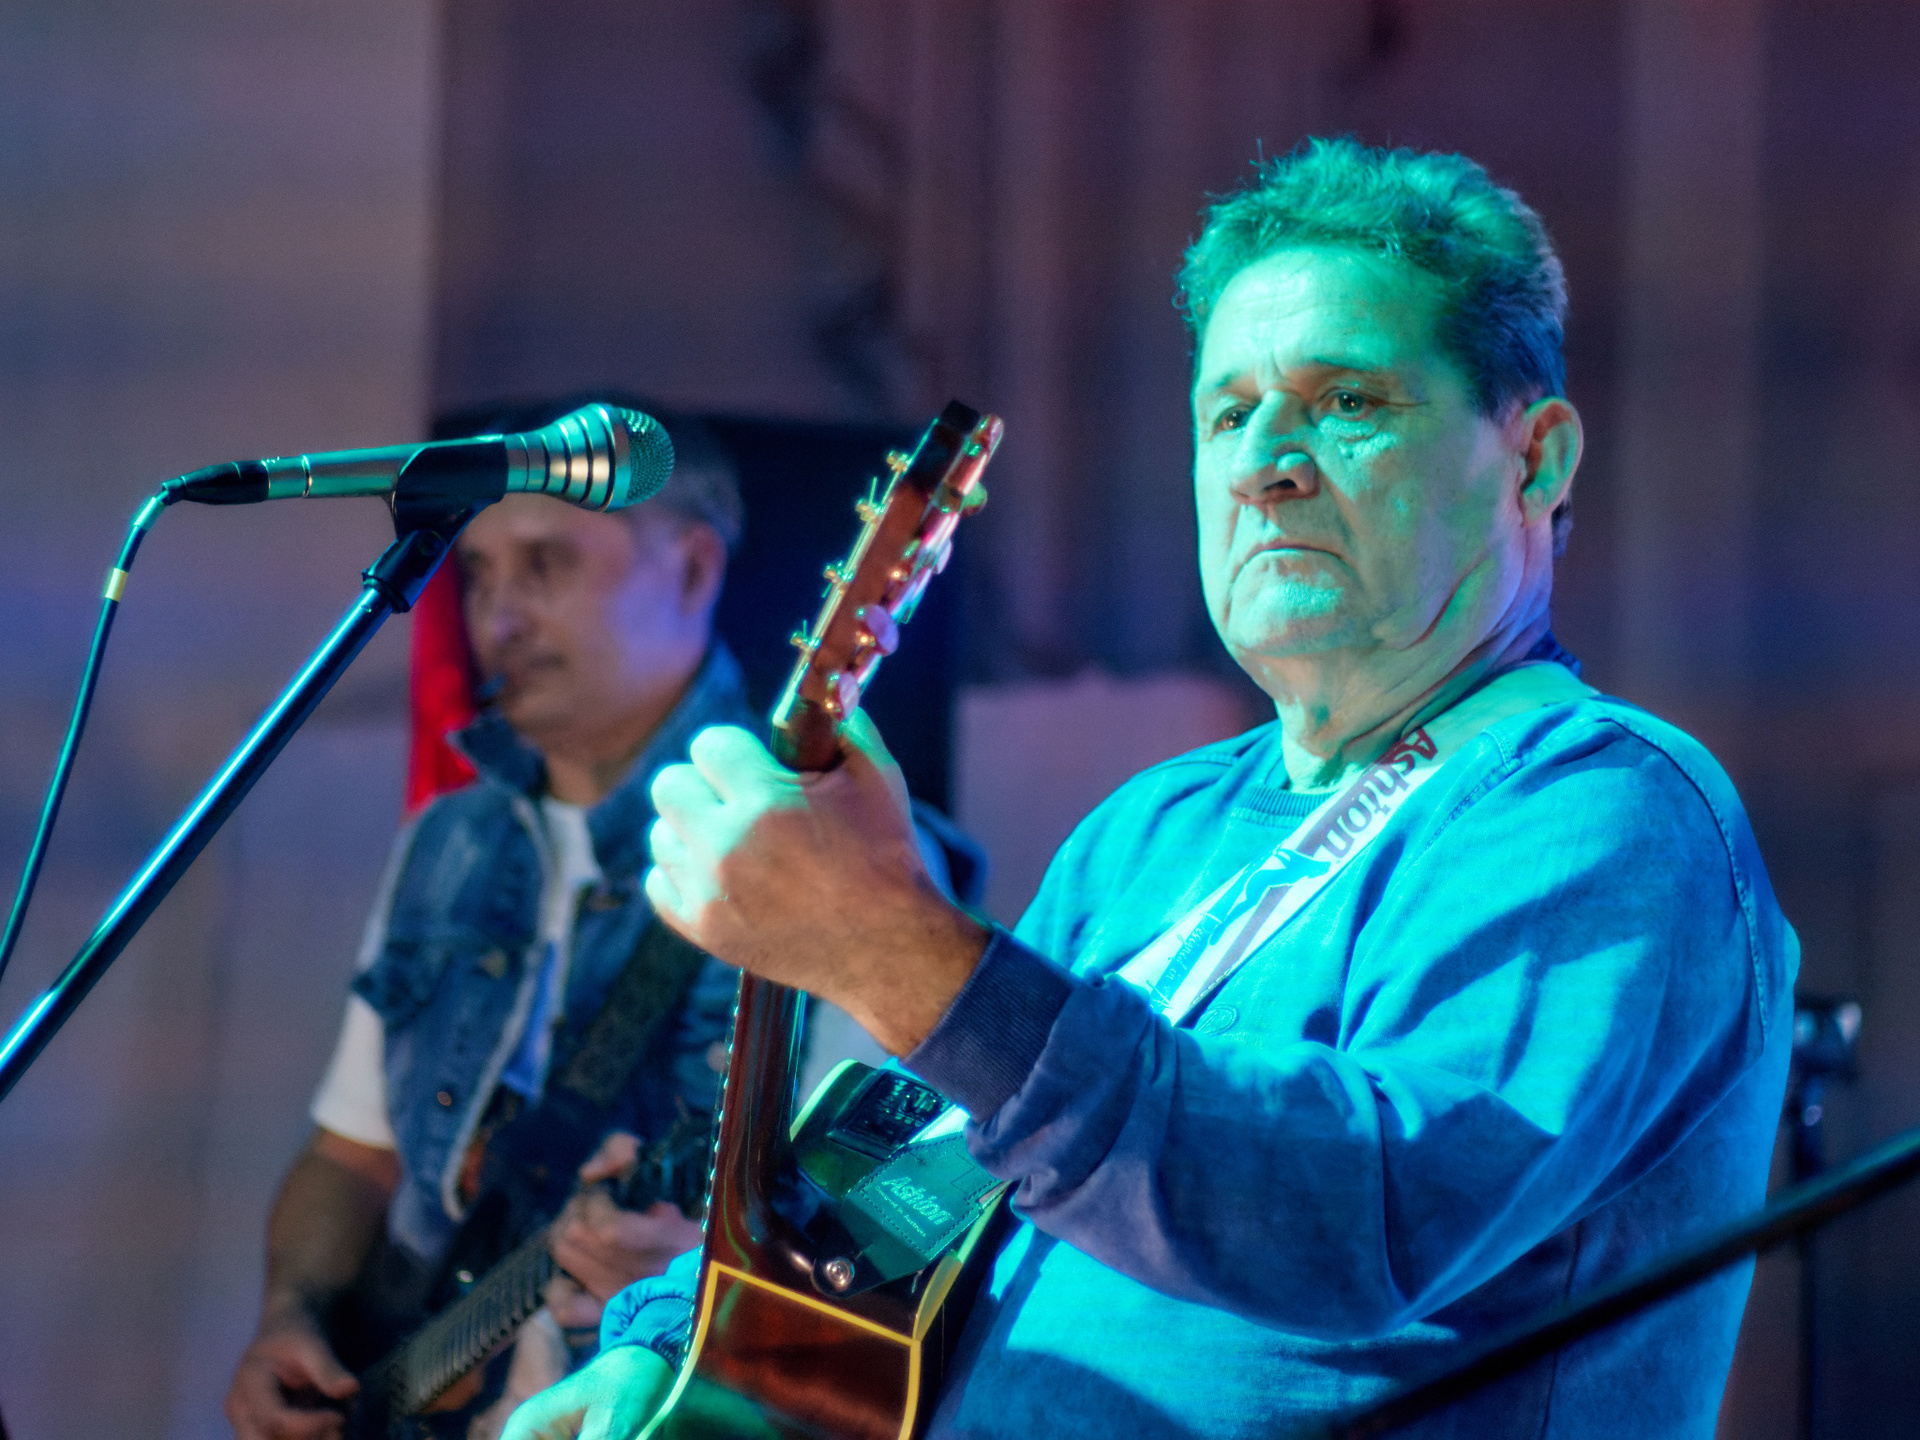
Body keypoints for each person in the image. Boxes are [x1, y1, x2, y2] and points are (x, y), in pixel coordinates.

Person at [504, 139, 1797, 1440]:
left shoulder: (1602, 807)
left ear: (1538, 459)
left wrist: (893, 950)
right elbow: (908, 1189)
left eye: (1348, 401)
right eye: (1227, 415)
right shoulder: (1149, 831)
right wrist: (665, 1348)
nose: (1264, 461)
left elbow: (1364, 1220)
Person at [224, 407, 753, 1440]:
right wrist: (291, 1314)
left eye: (547, 562)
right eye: (478, 573)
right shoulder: (446, 841)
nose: (499, 615)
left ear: (693, 569)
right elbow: (353, 1155)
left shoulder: (814, 851)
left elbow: (863, 1204)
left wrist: (697, 1269)